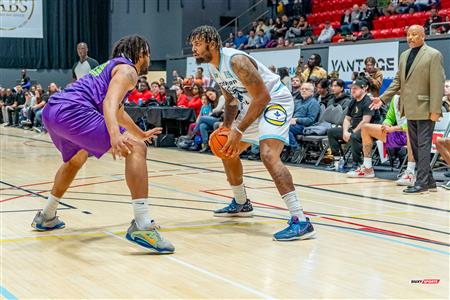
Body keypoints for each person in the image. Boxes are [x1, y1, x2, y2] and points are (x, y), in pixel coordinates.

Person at [31, 35, 174, 253]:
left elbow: (118, 111)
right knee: (137, 149)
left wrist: (140, 132)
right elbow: (109, 103)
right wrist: (115, 135)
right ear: (141, 53)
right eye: (148, 53)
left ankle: (46, 215)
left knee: (76, 159)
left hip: (53, 111)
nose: (149, 58)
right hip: (74, 111)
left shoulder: (112, 68)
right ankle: (142, 225)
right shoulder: (129, 71)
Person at [189, 25, 315, 241]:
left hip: (275, 101)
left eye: (197, 44)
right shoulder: (213, 67)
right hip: (253, 105)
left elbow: (263, 97)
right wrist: (227, 127)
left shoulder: (236, 61)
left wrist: (238, 129)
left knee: (268, 154)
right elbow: (230, 100)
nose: (193, 49)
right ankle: (241, 202)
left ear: (210, 43)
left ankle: (301, 220)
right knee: (227, 150)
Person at [371, 25, 445, 194]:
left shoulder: (433, 55)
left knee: (423, 145)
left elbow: (437, 84)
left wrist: (435, 110)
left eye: (414, 35)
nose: (410, 37)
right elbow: (398, 82)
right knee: (416, 145)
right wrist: (382, 98)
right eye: (408, 35)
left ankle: (422, 183)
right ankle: (430, 181)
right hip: (409, 108)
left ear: (423, 36)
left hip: (426, 108)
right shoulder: (404, 55)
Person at [348, 95, 417, 187]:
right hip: (399, 135)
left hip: (414, 135)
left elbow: (415, 123)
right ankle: (367, 168)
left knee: (410, 132)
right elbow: (390, 117)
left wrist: (395, 128)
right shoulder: (396, 98)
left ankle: (410, 173)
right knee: (365, 127)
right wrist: (385, 124)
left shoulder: (416, 98)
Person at [328, 78, 380, 171]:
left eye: (355, 88)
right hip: (355, 129)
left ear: (364, 89)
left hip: (369, 131)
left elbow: (365, 121)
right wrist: (345, 132)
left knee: (354, 137)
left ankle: (357, 164)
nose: (353, 90)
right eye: (352, 88)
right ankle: (338, 160)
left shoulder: (368, 101)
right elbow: (347, 119)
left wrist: (351, 133)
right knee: (331, 132)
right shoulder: (353, 101)